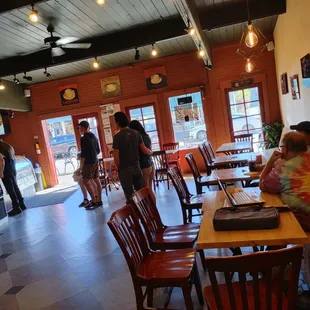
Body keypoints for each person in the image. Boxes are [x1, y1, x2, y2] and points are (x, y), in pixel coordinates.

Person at [259, 132, 310, 231]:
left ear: (285, 149)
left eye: (281, 147)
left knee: (270, 216)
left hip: (303, 219)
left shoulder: (283, 169)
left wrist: (270, 163)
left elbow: (262, 184)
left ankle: (280, 245)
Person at [113, 112, 152, 204]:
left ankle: (135, 215)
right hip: (137, 167)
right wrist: (150, 152)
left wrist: (119, 169)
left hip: (125, 169)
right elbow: (143, 149)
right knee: (140, 193)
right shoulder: (136, 133)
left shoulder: (117, 137)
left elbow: (116, 157)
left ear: (117, 122)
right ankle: (145, 213)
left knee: (130, 196)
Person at [129, 120, 156, 203]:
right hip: (150, 164)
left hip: (143, 166)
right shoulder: (146, 136)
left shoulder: (137, 138)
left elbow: (143, 151)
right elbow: (149, 151)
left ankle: (149, 211)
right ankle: (154, 209)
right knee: (149, 189)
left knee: (145, 191)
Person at [78, 121, 102, 208]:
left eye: (80, 127)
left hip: (88, 162)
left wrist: (81, 167)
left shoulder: (83, 138)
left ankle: (94, 201)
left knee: (85, 181)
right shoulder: (94, 136)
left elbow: (83, 154)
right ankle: (99, 200)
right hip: (95, 160)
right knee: (96, 179)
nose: (79, 129)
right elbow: (98, 150)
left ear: (84, 128)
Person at [0, 140, 27, 216]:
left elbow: (1, 161)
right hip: (12, 168)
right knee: (15, 187)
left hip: (6, 170)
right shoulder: (8, 146)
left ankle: (16, 207)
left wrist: (1, 172)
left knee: (10, 189)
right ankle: (22, 204)